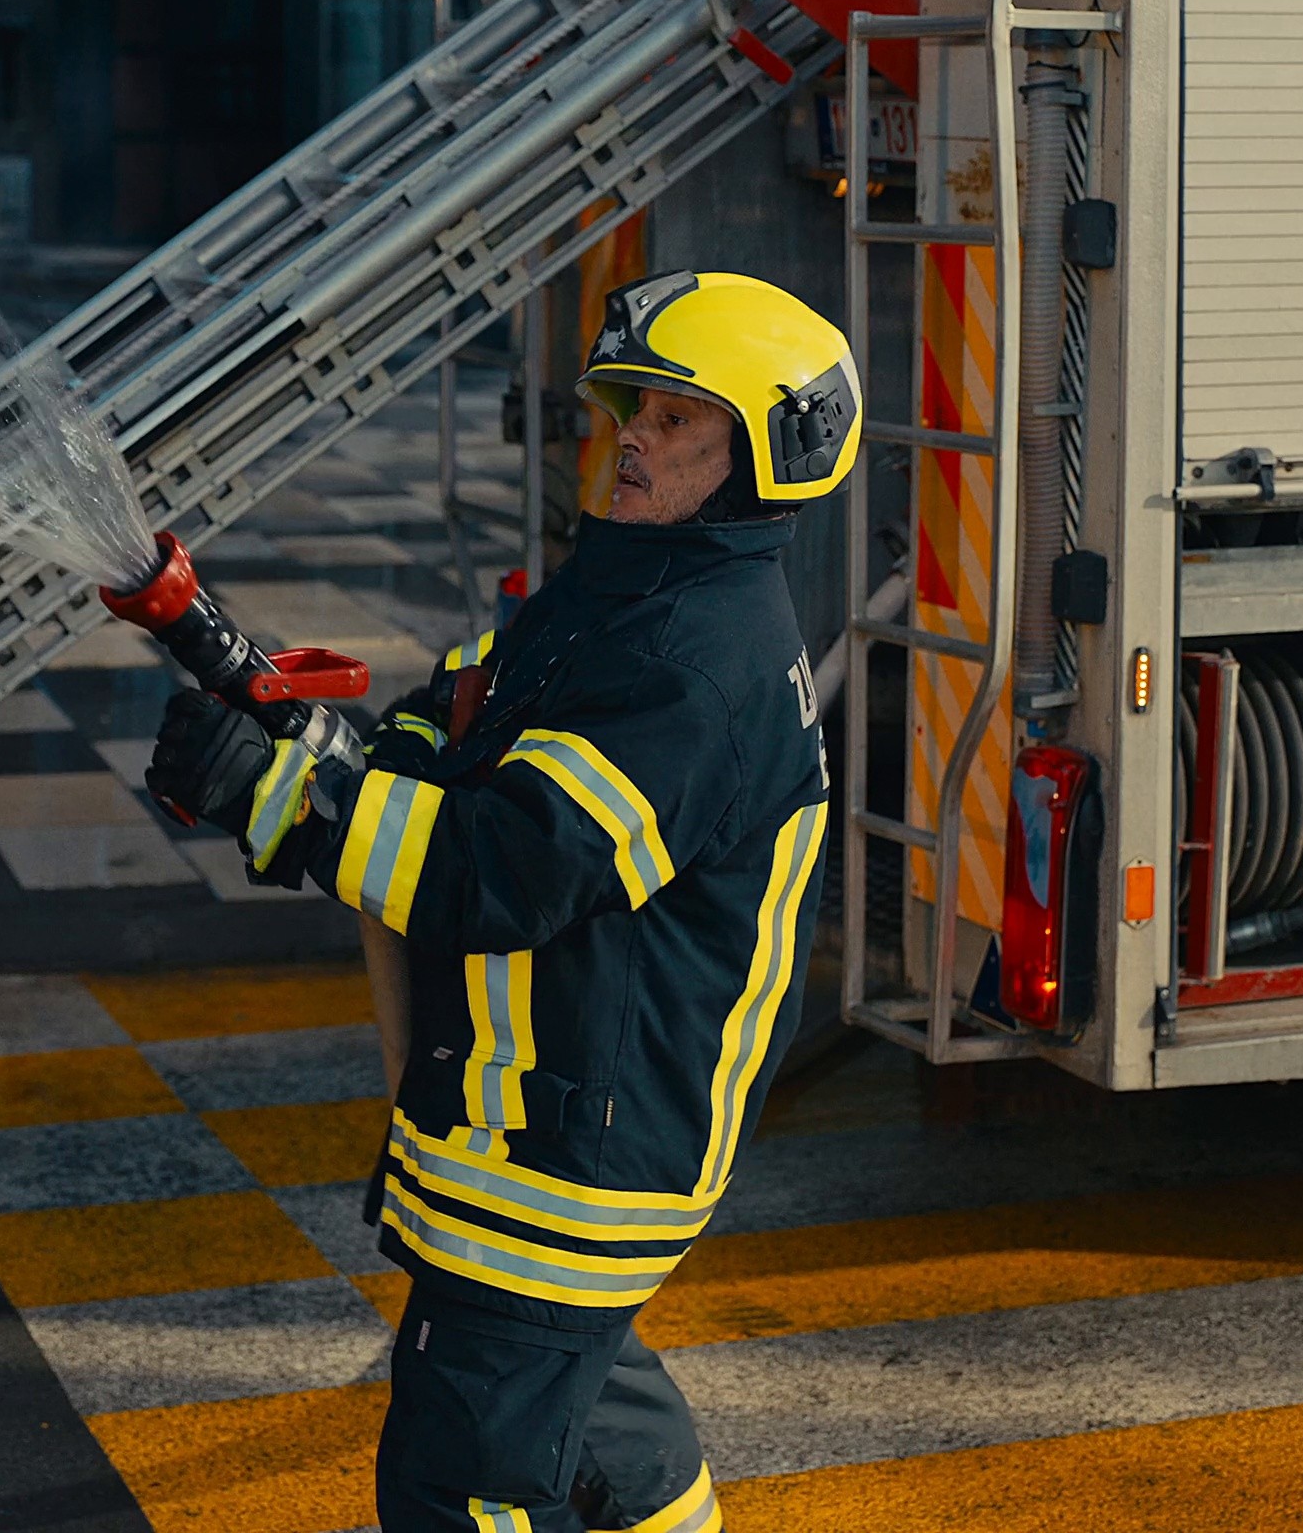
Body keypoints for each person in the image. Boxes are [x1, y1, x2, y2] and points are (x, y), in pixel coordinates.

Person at [147, 269, 861, 1533]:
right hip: (541, 1133)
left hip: (569, 1162)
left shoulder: (694, 668)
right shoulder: (621, 590)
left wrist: (285, 802)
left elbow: (504, 871)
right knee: (593, 1429)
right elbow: (464, 714)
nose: (631, 434)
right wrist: (332, 748)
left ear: (765, 451)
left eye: (674, 418)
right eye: (631, 406)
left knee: (457, 1484)